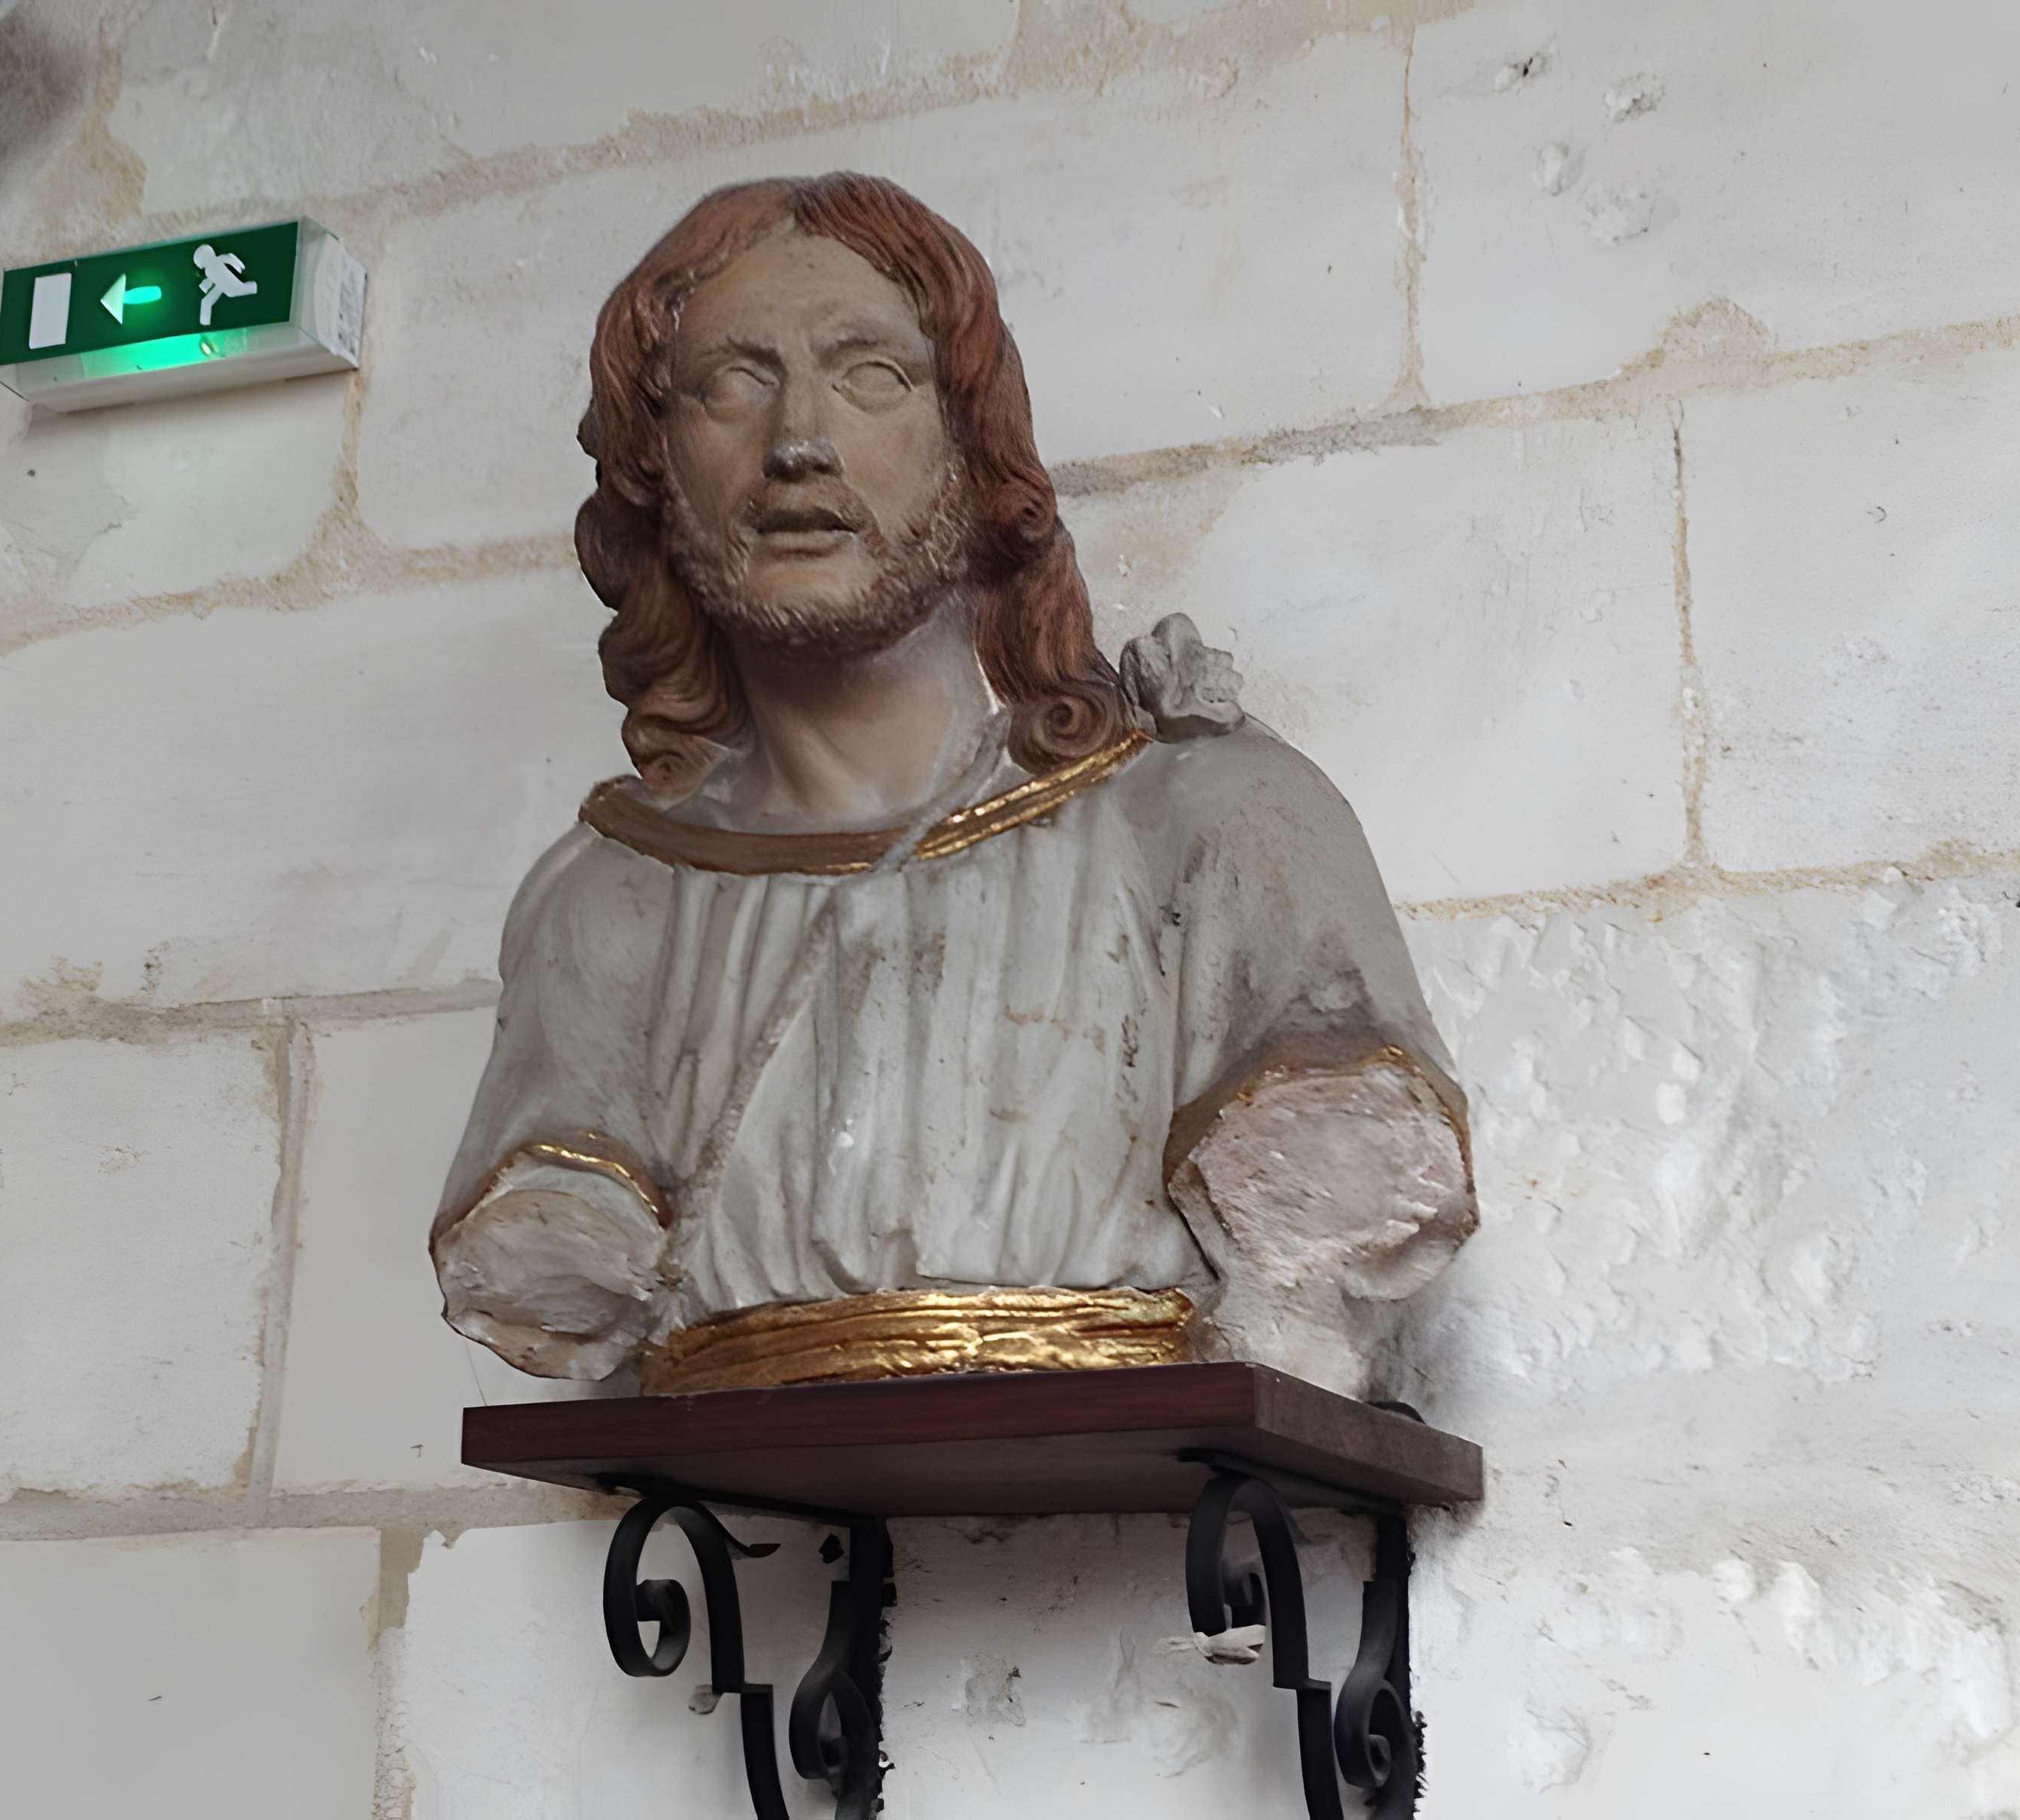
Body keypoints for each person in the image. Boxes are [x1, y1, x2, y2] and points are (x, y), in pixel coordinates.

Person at [430, 174, 1475, 1397]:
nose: (798, 441)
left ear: (975, 449)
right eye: (731, 384)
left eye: (870, 375)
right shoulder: (605, 904)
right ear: (655, 469)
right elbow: (550, 1261)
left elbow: (1347, 1176)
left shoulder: (1207, 822)